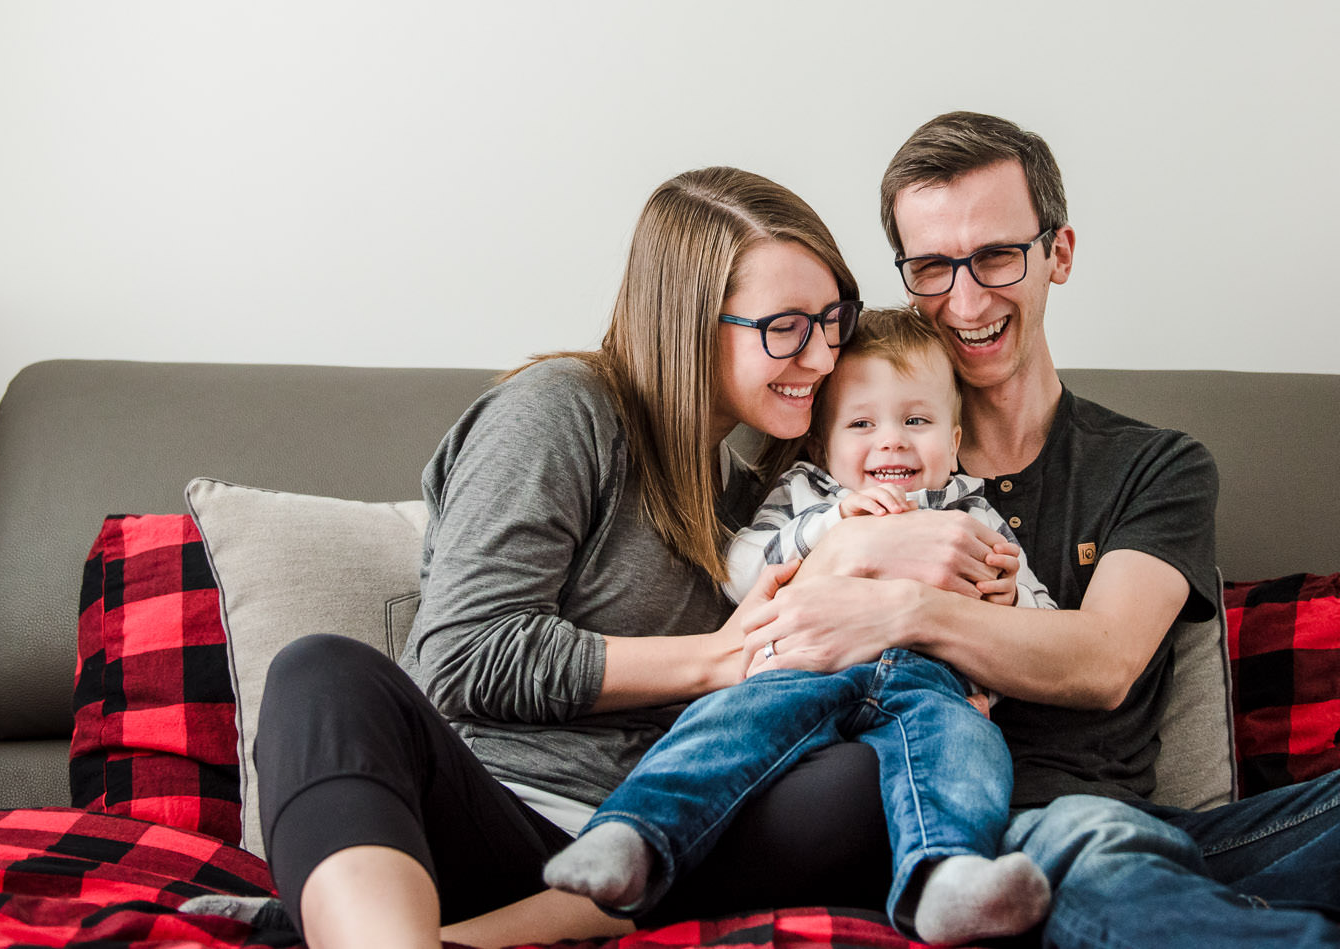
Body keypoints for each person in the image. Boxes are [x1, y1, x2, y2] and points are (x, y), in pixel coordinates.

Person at [738, 111, 1340, 949]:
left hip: (1159, 828)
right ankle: (1171, 909)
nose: (965, 298)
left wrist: (907, 610)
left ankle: (1177, 907)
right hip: (979, 834)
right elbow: (776, 627)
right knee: (1091, 845)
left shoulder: (1153, 465)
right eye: (932, 266)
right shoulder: (849, 455)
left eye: (998, 256)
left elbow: (1104, 661)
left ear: (1060, 253)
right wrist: (853, 551)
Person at [245, 166, 930, 949]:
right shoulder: (561, 410)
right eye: (786, 326)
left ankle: (476, 941)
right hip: (492, 813)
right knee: (318, 672)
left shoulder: (761, 499)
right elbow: (461, 657)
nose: (821, 355)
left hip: (660, 834)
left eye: (832, 318)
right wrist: (713, 660)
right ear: (687, 321)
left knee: (874, 775)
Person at [544, 308, 1056, 945]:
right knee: (726, 724)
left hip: (932, 687)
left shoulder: (974, 512)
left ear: (953, 441)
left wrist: (1009, 602)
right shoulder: (807, 495)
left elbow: (1046, 626)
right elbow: (737, 571)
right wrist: (829, 526)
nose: (892, 441)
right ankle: (632, 835)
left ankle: (947, 877)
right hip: (805, 664)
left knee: (968, 753)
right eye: (863, 423)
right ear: (823, 443)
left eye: (916, 421)